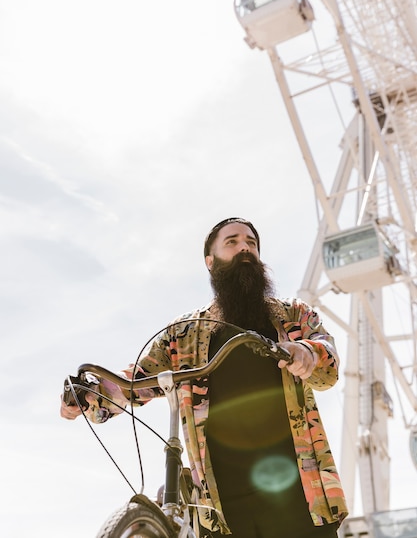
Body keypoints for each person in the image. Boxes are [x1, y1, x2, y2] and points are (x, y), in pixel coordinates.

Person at [61, 217, 348, 537]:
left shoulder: (292, 315)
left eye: (251, 243)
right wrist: (89, 397)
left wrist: (308, 353)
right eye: (232, 242)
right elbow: (136, 382)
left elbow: (328, 365)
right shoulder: (182, 334)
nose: (244, 248)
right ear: (211, 263)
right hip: (221, 505)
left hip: (299, 492)